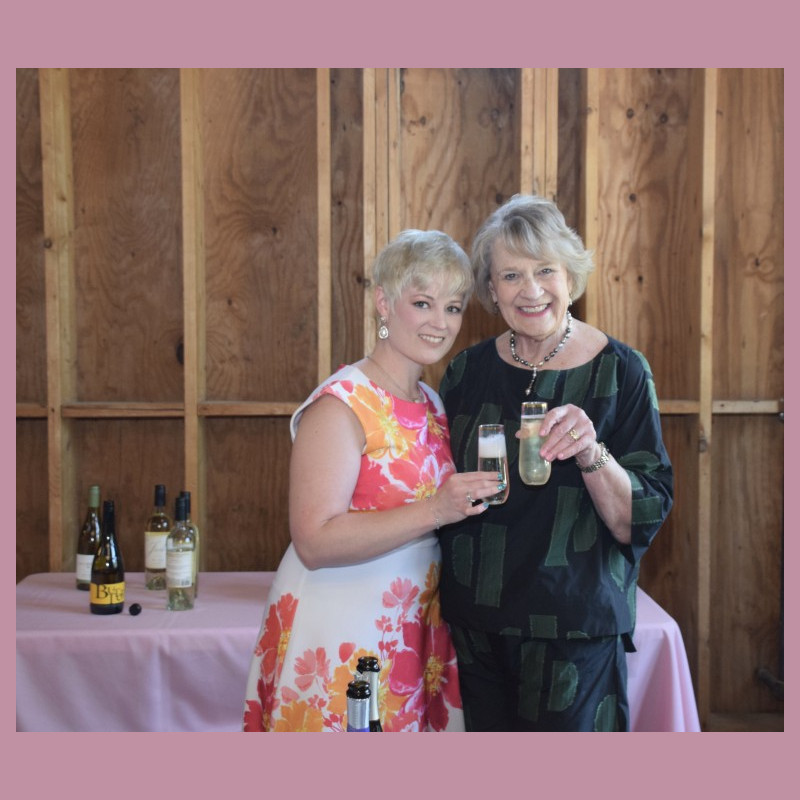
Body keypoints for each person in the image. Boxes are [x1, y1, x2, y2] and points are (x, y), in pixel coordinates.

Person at [243, 229, 505, 732]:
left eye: (453, 308)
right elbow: (314, 540)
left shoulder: (434, 404)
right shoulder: (342, 403)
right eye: (423, 302)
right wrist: (435, 510)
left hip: (413, 625)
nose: (440, 322)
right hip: (340, 625)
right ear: (383, 303)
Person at [437, 194, 674, 731]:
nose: (532, 289)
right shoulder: (464, 372)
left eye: (545, 269)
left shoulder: (622, 371)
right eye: (511, 275)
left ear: (570, 275)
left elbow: (638, 516)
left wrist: (593, 453)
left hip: (575, 629)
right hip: (476, 627)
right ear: (490, 290)